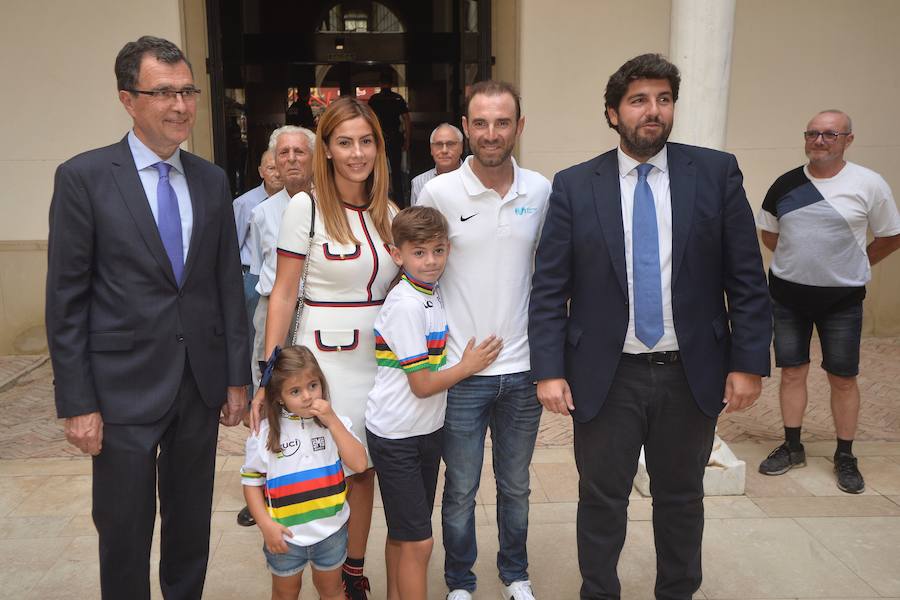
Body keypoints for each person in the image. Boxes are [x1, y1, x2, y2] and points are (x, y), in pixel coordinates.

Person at [528, 53, 771, 600]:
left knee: (682, 498)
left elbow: (747, 278)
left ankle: (678, 592)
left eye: (663, 99)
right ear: (613, 113)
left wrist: (748, 363)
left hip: (691, 372)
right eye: (639, 100)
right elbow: (548, 289)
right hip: (606, 375)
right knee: (602, 498)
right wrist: (548, 370)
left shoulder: (715, 173)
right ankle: (599, 591)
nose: (653, 111)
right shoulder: (573, 185)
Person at [45, 36, 250, 599]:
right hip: (120, 392)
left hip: (198, 384)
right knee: (124, 531)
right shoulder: (84, 177)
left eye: (187, 91)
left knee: (191, 527)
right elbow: (66, 300)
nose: (181, 105)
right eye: (164, 92)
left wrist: (236, 376)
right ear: (127, 100)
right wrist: (77, 402)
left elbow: (226, 287)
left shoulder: (210, 180)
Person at [251, 96, 399, 600]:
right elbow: (283, 294)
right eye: (344, 142)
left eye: (366, 141)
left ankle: (350, 570)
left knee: (363, 468)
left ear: (379, 146)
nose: (357, 153)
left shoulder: (389, 212)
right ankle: (311, 561)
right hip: (323, 362)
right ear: (328, 151)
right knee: (322, 464)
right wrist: (269, 375)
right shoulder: (305, 207)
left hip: (379, 365)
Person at [417, 80, 550, 600]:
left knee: (516, 487)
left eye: (502, 122)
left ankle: (515, 575)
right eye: (481, 123)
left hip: (522, 371)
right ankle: (460, 582)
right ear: (467, 127)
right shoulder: (439, 192)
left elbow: (554, 274)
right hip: (462, 372)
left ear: (519, 126)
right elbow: (418, 274)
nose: (491, 133)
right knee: (462, 489)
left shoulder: (540, 190)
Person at [756, 109, 900, 493]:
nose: (819, 141)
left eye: (830, 135)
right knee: (791, 372)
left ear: (848, 140)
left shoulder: (868, 184)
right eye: (813, 134)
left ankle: (845, 455)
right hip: (787, 296)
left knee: (842, 377)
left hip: (842, 300)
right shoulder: (785, 184)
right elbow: (769, 233)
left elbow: (890, 235)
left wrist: (856, 261)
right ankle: (792, 446)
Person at [366, 206, 502, 600]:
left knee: (406, 533)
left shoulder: (429, 293)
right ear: (397, 254)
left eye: (438, 251)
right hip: (397, 435)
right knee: (420, 542)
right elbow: (422, 384)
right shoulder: (406, 304)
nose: (430, 261)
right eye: (419, 252)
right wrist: (469, 366)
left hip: (424, 431)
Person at [242, 345, 367, 600]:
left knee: (332, 591)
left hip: (331, 532)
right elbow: (251, 482)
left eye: (313, 385)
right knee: (285, 593)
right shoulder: (264, 434)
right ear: (279, 396)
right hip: (285, 535)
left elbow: (360, 464)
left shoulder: (335, 424)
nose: (308, 396)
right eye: (295, 391)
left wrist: (332, 422)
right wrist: (266, 525)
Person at [237, 125, 316, 528]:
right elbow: (260, 267)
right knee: (267, 393)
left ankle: (316, 474)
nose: (291, 159)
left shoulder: (329, 204)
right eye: (283, 153)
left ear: (314, 157)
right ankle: (265, 482)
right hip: (273, 309)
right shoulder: (261, 212)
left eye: (299, 152)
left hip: (316, 308)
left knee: (310, 392)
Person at [234, 149, 283, 362]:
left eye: (279, 168)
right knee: (256, 335)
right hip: (253, 276)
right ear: (261, 171)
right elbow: (233, 243)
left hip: (282, 276)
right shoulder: (245, 203)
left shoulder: (296, 200)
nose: (277, 174)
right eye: (271, 168)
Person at [367, 77, 411, 206]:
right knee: (396, 172)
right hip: (395, 137)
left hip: (379, 137)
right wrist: (407, 139)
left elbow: (369, 119)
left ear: (380, 84)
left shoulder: (374, 99)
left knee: (377, 170)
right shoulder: (397, 98)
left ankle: (377, 201)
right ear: (392, 84)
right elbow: (407, 120)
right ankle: (400, 203)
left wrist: (368, 140)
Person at [410, 123, 464, 205]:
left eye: (450, 144)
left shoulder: (476, 178)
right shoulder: (419, 183)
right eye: (439, 144)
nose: (444, 150)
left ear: (461, 147)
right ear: (431, 149)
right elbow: (415, 217)